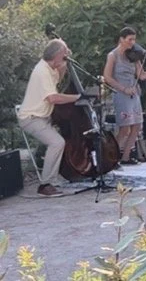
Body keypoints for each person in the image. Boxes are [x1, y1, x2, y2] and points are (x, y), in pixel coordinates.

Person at [17, 39, 83, 197]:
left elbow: (58, 80)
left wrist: (64, 65)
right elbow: (52, 98)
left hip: (42, 117)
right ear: (57, 54)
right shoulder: (42, 71)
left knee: (57, 143)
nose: (66, 56)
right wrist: (77, 97)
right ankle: (45, 184)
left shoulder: (50, 68)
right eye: (64, 53)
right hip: (31, 118)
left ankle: (52, 180)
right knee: (57, 142)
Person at [104, 27, 146, 165]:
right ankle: (109, 157)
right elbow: (107, 78)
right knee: (124, 128)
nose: (132, 43)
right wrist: (123, 88)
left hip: (134, 92)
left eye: (134, 40)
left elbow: (143, 75)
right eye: (130, 40)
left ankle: (126, 157)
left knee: (137, 125)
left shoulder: (134, 56)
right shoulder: (113, 56)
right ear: (121, 39)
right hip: (121, 93)